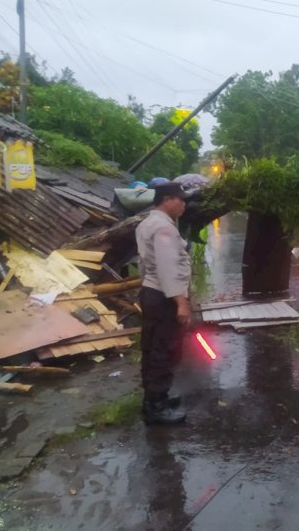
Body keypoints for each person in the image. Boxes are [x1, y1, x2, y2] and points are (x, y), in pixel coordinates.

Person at [135, 182, 192, 425]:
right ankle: (156, 408)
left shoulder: (148, 222)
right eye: (181, 200)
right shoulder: (163, 228)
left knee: (152, 347)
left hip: (152, 292)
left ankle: (154, 398)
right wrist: (181, 302)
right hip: (164, 296)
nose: (184, 205)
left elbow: (144, 263)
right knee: (164, 350)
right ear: (168, 200)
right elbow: (168, 269)